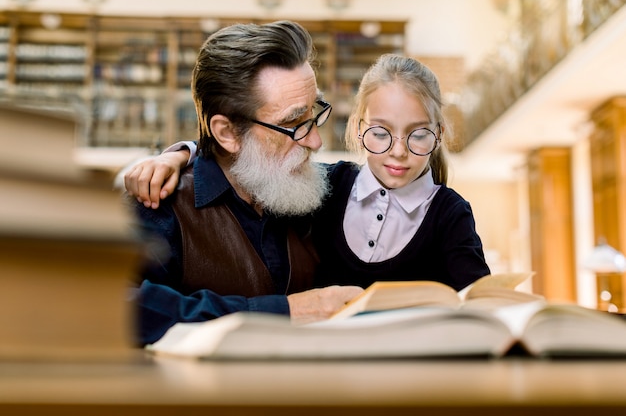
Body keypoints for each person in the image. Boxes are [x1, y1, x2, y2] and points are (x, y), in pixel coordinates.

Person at [127, 53, 491, 294]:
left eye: (418, 135)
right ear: (359, 128)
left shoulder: (449, 213)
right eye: (381, 134)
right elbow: (252, 157)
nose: (398, 151)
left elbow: (478, 303)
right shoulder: (327, 188)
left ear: (438, 133)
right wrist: (185, 153)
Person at [128, 20, 363, 346]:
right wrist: (285, 313)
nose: (316, 141)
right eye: (294, 123)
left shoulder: (322, 186)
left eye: (314, 114)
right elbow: (116, 305)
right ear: (227, 133)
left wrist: (185, 150)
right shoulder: (161, 205)